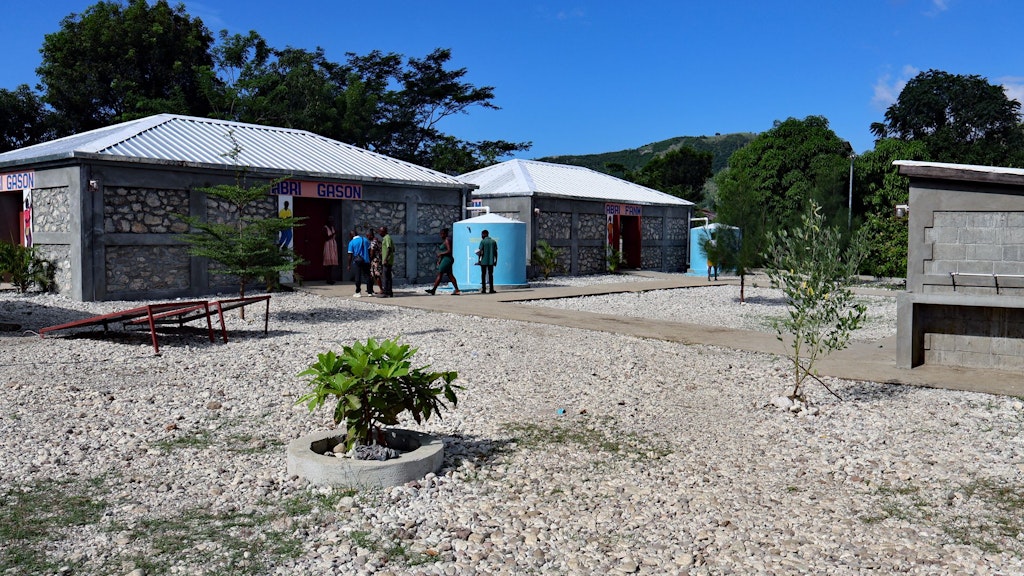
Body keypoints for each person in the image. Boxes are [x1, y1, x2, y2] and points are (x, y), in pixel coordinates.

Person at [425, 228, 460, 295]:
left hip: (447, 259)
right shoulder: (445, 240)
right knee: (450, 275)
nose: (441, 235)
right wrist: (440, 260)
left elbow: (449, 251)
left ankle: (433, 290)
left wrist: (441, 254)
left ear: (446, 234)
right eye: (441, 234)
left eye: (443, 234)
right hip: (445, 259)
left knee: (440, 273)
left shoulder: (447, 240)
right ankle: (457, 290)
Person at [347, 227, 374, 297]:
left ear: (352, 235)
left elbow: (350, 255)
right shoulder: (365, 240)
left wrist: (348, 265)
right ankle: (369, 292)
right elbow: (369, 250)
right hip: (366, 260)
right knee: (367, 276)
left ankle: (358, 292)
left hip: (357, 261)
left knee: (357, 276)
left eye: (349, 235)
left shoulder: (351, 242)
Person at [477, 229, 498, 294]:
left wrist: (479, 260)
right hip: (491, 261)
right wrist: (495, 261)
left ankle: (484, 289)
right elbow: (495, 252)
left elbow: (480, 251)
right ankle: (491, 289)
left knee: (483, 275)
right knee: (491, 275)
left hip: (483, 261)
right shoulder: (493, 242)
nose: (481, 236)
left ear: (484, 234)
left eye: (482, 234)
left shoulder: (483, 242)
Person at [378, 226, 395, 297]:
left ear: (384, 231)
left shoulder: (387, 238)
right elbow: (393, 249)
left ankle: (385, 292)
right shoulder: (387, 238)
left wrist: (385, 259)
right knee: (388, 277)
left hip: (386, 261)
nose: (379, 233)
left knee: (385, 277)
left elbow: (389, 248)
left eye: (380, 231)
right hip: (388, 260)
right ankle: (389, 292)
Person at [323, 216, 338, 284]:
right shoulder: (325, 228)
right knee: (328, 264)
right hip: (328, 245)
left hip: (333, 245)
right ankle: (328, 279)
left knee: (332, 264)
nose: (332, 221)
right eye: (330, 220)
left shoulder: (332, 228)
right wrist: (333, 234)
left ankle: (331, 278)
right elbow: (326, 238)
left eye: (332, 220)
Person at [368, 228, 384, 295]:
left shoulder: (373, 242)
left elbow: (372, 253)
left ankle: (381, 289)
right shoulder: (378, 241)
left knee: (376, 275)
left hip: (375, 260)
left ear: (371, 235)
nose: (367, 238)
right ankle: (370, 289)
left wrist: (369, 259)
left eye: (368, 236)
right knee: (373, 275)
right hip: (379, 259)